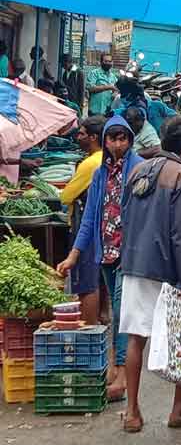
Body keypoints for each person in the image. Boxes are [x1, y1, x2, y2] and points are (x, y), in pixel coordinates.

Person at [117, 116, 181, 433]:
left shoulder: (136, 170)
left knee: (135, 338)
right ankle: (179, 409)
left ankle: (132, 412)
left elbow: (124, 219)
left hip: (134, 263)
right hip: (168, 268)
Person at [56, 115, 145, 403]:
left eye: (123, 138)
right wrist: (73, 256)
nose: (118, 144)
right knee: (115, 313)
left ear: (130, 140)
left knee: (120, 313)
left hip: (128, 254)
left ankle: (120, 374)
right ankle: (115, 368)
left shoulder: (139, 170)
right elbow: (90, 217)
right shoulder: (100, 174)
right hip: (104, 251)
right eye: (113, 138)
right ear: (105, 141)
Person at [59, 116, 106, 326]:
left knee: (87, 281)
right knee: (99, 278)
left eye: (81, 133)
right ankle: (102, 317)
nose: (77, 137)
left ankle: (89, 326)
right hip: (104, 226)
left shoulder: (90, 164)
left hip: (87, 226)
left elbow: (66, 196)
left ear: (93, 137)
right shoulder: (105, 157)